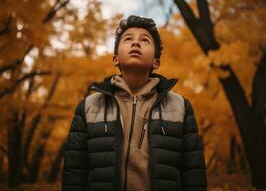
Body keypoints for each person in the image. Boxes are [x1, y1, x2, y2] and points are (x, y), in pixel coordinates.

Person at [62, 15, 207, 191]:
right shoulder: (89, 107)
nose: (136, 43)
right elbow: (75, 173)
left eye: (145, 40)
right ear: (115, 58)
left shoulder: (180, 107)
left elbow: (193, 174)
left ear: (156, 61)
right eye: (128, 39)